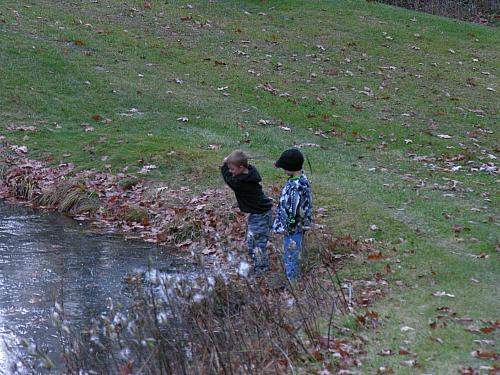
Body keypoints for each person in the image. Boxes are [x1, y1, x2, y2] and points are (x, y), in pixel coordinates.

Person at [221, 150, 273, 275]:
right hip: (259, 213)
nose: (230, 171)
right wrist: (229, 162)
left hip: (260, 214)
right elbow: (238, 169)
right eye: (229, 168)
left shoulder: (240, 183)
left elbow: (228, 180)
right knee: (253, 242)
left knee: (256, 244)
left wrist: (223, 166)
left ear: (241, 167)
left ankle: (262, 271)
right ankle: (258, 267)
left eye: (232, 169)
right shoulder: (250, 172)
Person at [272, 148, 312, 282]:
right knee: (293, 254)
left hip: (293, 229)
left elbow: (293, 211)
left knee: (291, 257)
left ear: (289, 167)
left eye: (284, 167)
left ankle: (293, 284)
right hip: (298, 227)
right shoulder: (301, 179)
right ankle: (294, 280)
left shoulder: (295, 187)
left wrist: (288, 227)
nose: (283, 170)